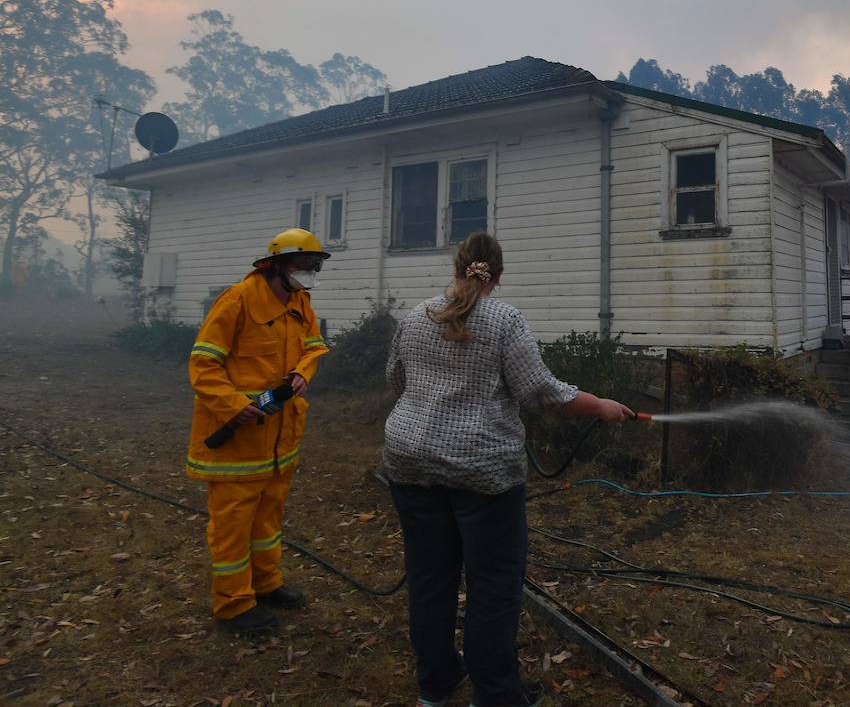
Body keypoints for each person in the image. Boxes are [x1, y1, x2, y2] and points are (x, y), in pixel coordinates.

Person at [384, 232, 632, 707]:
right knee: (493, 585)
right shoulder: (504, 319)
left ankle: (435, 685)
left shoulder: (416, 316)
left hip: (410, 462)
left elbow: (397, 380)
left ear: (456, 268)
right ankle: (495, 695)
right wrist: (600, 404)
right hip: (482, 473)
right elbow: (539, 390)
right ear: (497, 276)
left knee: (430, 578)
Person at [186, 227, 331, 635]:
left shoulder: (301, 302)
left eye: (316, 265)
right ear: (276, 265)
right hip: (238, 439)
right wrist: (235, 405)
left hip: (280, 438)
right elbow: (203, 365)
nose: (311, 271)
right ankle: (233, 604)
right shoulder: (237, 300)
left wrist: (302, 373)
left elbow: (313, 347)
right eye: (305, 264)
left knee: (269, 516)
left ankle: (266, 584)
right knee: (233, 525)